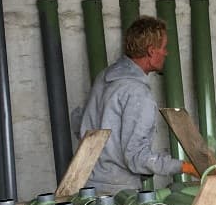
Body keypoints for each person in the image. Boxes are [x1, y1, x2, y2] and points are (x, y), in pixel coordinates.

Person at [80, 16, 198, 193]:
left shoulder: (104, 76)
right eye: (164, 47)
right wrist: (187, 167)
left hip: (87, 184)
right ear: (151, 51)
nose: (166, 53)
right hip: (117, 193)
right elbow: (137, 158)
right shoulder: (137, 93)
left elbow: (79, 120)